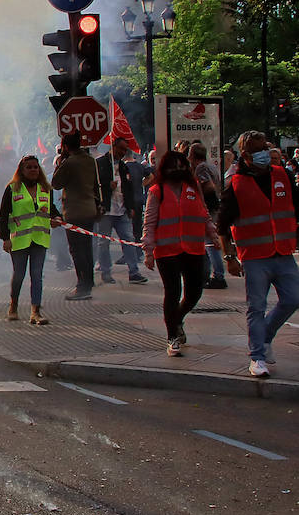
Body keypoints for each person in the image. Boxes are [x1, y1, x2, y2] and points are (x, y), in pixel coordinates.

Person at [217, 131, 299, 378]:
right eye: (258, 149)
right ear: (245, 155)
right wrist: (229, 258)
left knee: (293, 299)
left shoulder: (282, 175)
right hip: (254, 256)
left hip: (283, 253)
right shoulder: (237, 185)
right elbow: (222, 225)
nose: (265, 152)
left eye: (265, 147)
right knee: (256, 307)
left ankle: (264, 338)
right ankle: (257, 357)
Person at [142, 150, 220, 357]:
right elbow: (149, 222)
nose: (178, 170)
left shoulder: (193, 187)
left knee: (195, 291)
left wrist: (213, 234)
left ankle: (177, 318)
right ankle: (172, 337)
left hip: (193, 248)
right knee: (173, 291)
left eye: (181, 165)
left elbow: (203, 213)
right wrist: (148, 251)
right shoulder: (157, 191)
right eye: (173, 166)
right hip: (167, 251)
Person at [0, 156, 62, 325]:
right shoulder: (12, 189)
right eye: (29, 167)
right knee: (19, 275)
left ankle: (36, 312)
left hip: (39, 238)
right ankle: (13, 306)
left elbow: (51, 208)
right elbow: (3, 215)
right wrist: (5, 238)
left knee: (37, 275)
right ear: (22, 170)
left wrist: (57, 217)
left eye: (35, 167)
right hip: (19, 240)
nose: (33, 170)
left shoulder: (46, 188)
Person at [51, 131, 102, 300]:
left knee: (76, 250)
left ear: (65, 146)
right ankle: (89, 281)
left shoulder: (69, 162)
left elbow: (56, 183)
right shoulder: (90, 160)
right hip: (89, 208)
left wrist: (60, 162)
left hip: (74, 211)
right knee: (86, 248)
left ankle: (82, 287)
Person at [95, 137, 147, 285]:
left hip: (121, 210)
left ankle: (134, 272)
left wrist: (130, 207)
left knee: (128, 240)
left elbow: (128, 188)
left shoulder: (124, 167)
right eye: (121, 149)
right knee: (103, 242)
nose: (123, 153)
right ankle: (106, 272)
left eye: (125, 150)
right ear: (113, 147)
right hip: (106, 210)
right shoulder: (100, 164)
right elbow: (94, 185)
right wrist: (106, 186)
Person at [190, 143, 228, 289]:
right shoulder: (211, 166)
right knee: (207, 244)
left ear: (192, 154)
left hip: (209, 209)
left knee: (211, 244)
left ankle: (218, 275)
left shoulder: (201, 168)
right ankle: (205, 274)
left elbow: (209, 186)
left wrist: (203, 201)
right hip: (215, 207)